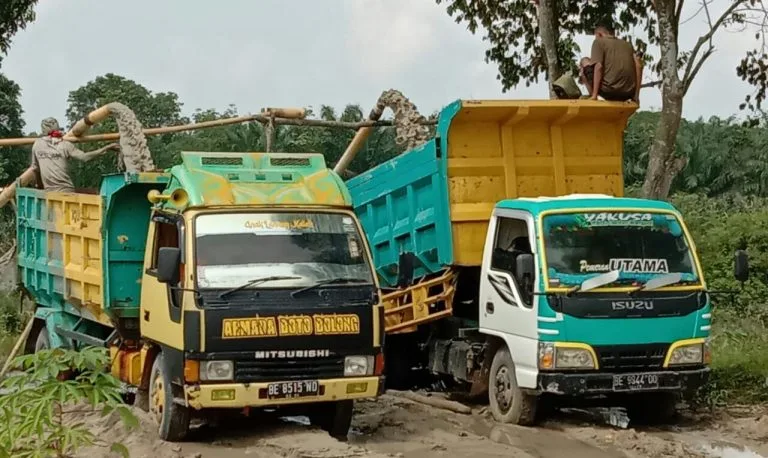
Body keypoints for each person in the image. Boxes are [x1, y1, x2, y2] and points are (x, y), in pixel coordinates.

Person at [30, 117, 120, 193]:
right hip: (66, 190)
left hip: (48, 191)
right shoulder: (64, 145)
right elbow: (85, 157)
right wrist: (106, 148)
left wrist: (39, 187)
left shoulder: (37, 145)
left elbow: (35, 170)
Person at [579, 23, 643, 102]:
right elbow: (639, 66)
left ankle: (593, 95)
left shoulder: (598, 42)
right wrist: (636, 95)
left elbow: (599, 66)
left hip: (608, 92)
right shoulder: (628, 45)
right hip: (627, 93)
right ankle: (595, 95)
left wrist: (595, 95)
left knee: (584, 61)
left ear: (599, 34)